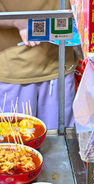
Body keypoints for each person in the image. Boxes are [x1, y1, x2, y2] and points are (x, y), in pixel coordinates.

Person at [0, 1, 78, 130]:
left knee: (60, 141)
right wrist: (15, 20)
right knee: (16, 142)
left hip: (60, 66)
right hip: (14, 70)